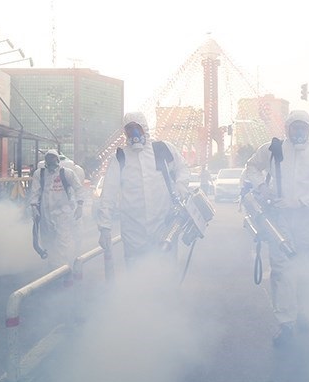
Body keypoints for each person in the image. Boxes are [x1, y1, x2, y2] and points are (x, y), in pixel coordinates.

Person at [242, 110, 309, 347]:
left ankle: (303, 311)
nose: (299, 131)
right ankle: (286, 323)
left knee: (305, 269)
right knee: (282, 271)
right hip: (279, 220)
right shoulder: (273, 149)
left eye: (304, 127)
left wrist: (301, 202)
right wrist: (261, 186)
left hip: (307, 220)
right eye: (295, 127)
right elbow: (251, 167)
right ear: (287, 128)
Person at [96, 112, 190, 271]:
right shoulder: (120, 157)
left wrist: (181, 186)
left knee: (166, 269)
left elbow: (182, 168)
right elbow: (108, 194)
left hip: (163, 224)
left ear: (144, 128)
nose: (133, 133)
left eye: (136, 128)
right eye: (129, 129)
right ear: (125, 132)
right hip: (133, 230)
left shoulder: (162, 149)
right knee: (136, 269)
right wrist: (104, 227)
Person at [28, 149, 86, 270]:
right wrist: (34, 207)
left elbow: (79, 189)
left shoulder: (66, 173)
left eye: (53, 158)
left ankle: (63, 268)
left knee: (63, 241)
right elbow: (35, 192)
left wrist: (80, 205)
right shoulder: (40, 174)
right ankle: (52, 266)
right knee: (48, 240)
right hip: (46, 214)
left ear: (57, 160)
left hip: (63, 214)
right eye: (48, 158)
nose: (51, 161)